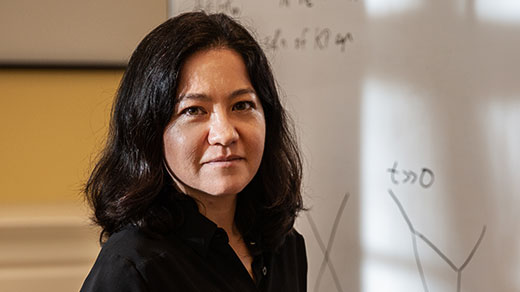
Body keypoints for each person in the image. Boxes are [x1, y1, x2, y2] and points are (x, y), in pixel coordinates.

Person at [80, 11, 307, 292]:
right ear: (150, 130)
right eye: (194, 110)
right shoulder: (131, 268)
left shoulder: (285, 245)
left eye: (242, 105)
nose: (225, 134)